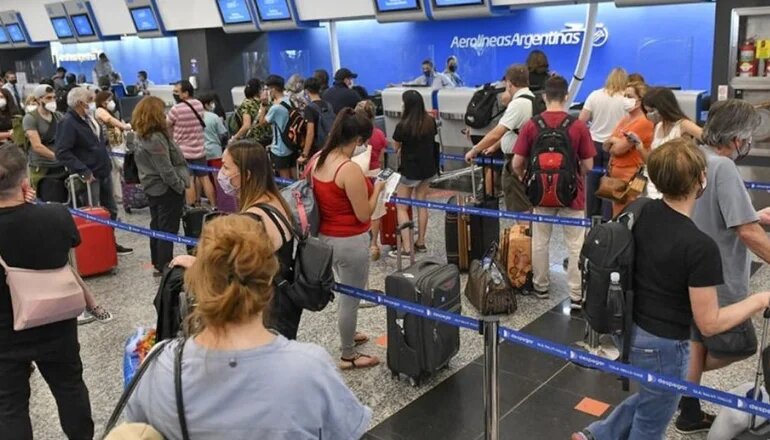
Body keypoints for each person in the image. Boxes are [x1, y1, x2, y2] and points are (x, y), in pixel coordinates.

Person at [572, 138, 770, 440]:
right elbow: (710, 323)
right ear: (700, 179)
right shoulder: (699, 247)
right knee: (651, 423)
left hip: (626, 327)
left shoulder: (640, 209)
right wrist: (760, 299)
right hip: (663, 344)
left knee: (656, 397)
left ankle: (598, 434)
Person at [126, 215, 371, 439]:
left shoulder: (160, 367)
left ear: (199, 278)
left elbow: (138, 430)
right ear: (269, 278)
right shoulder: (310, 369)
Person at [675, 100, 770, 434]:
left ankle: (687, 407)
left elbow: (712, 210)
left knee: (694, 340)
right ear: (736, 138)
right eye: (749, 136)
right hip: (718, 276)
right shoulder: (724, 167)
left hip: (687, 269)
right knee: (741, 344)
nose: (750, 142)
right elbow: (747, 233)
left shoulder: (695, 156)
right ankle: (678, 379)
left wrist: (753, 214)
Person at [0, 144, 94, 440]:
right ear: (24, 181)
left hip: (5, 334)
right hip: (56, 323)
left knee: (10, 406)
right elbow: (72, 240)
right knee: (70, 388)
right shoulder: (56, 215)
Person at [173, 141, 303, 339]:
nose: (221, 174)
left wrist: (195, 263)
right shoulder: (276, 201)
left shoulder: (252, 219)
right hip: (282, 303)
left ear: (246, 175)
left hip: (266, 312)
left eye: (226, 168)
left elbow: (233, 270)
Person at [512, 76, 595, 309]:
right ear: (566, 96)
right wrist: (574, 175)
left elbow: (517, 163)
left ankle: (541, 286)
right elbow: (588, 165)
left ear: (544, 97)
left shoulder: (532, 125)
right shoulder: (577, 125)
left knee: (540, 241)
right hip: (573, 195)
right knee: (576, 244)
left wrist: (526, 178)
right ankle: (576, 294)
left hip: (541, 194)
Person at [312, 109, 386, 369]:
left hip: (325, 239)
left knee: (344, 291)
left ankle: (350, 332)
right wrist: (377, 189)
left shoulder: (319, 159)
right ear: (357, 140)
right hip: (350, 241)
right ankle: (348, 355)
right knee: (350, 299)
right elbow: (364, 213)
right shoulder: (349, 169)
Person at [55, 86, 133, 255]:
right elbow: (62, 152)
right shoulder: (68, 122)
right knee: (93, 212)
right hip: (89, 175)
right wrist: (83, 170)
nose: (92, 103)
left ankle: (109, 242)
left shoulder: (89, 118)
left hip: (103, 170)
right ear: (80, 103)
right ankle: (94, 248)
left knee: (110, 210)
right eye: (89, 100)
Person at [464, 64, 535, 215]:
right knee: (525, 202)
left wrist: (474, 150)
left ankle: (523, 230)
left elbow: (497, 132)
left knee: (519, 206)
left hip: (515, 160)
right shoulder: (531, 99)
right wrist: (495, 147)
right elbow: (513, 131)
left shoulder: (517, 104)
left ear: (509, 83)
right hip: (525, 156)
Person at [131, 96, 188, 276]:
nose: (165, 115)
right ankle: (165, 264)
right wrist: (179, 186)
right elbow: (166, 168)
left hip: (151, 186)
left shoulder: (139, 136)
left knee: (156, 225)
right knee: (167, 228)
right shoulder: (156, 138)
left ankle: (157, 262)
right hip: (166, 189)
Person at [390, 90, 439, 257]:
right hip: (428, 168)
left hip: (409, 170)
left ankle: (407, 247)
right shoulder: (430, 121)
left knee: (402, 207)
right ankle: (421, 242)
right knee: (422, 203)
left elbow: (396, 147)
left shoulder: (402, 126)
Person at [579, 67, 630, 219]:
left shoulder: (594, 95)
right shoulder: (627, 101)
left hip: (594, 144)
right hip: (616, 146)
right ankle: (607, 219)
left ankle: (590, 218)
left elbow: (581, 120)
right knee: (610, 184)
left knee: (591, 183)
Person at [602, 81, 654, 217]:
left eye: (629, 96)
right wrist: (615, 141)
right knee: (616, 213)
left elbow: (618, 149)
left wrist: (614, 141)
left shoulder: (644, 122)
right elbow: (606, 145)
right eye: (624, 96)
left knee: (628, 213)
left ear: (640, 100)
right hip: (615, 173)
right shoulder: (625, 119)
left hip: (631, 175)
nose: (625, 99)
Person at [642, 87, 703, 199]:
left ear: (663, 107)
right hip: (654, 183)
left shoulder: (683, 125)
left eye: (651, 111)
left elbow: (706, 137)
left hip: (673, 184)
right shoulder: (658, 126)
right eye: (647, 111)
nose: (649, 115)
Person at [167, 79, 216, 207]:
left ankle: (192, 207)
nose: (175, 94)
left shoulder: (176, 109)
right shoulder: (199, 105)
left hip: (183, 152)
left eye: (177, 92)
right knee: (205, 178)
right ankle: (213, 205)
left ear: (186, 93)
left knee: (188, 180)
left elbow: (167, 125)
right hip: (200, 150)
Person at [355, 100, 388, 261]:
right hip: (375, 174)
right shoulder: (379, 134)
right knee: (376, 212)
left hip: (357, 173)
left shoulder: (353, 134)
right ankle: (373, 244)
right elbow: (381, 159)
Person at [24, 85, 66, 192]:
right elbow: (37, 146)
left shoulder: (58, 116)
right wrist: (57, 157)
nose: (52, 101)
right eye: (48, 98)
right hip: (43, 168)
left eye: (54, 97)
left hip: (61, 166)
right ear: (39, 99)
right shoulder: (30, 118)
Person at [259, 75, 297, 180]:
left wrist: (263, 105)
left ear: (273, 89)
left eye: (268, 89)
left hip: (280, 148)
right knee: (294, 177)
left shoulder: (275, 108)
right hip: (292, 144)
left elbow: (262, 122)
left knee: (285, 180)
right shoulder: (289, 101)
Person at [299, 76, 335, 166]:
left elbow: (310, 132)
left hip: (317, 149)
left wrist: (304, 154)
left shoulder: (309, 108)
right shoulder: (328, 105)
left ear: (306, 91)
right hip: (331, 145)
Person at [199, 93, 227, 170]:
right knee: (217, 173)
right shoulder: (214, 117)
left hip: (202, 153)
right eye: (211, 103)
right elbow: (223, 134)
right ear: (206, 105)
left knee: (205, 175)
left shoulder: (195, 117)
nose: (213, 105)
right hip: (215, 151)